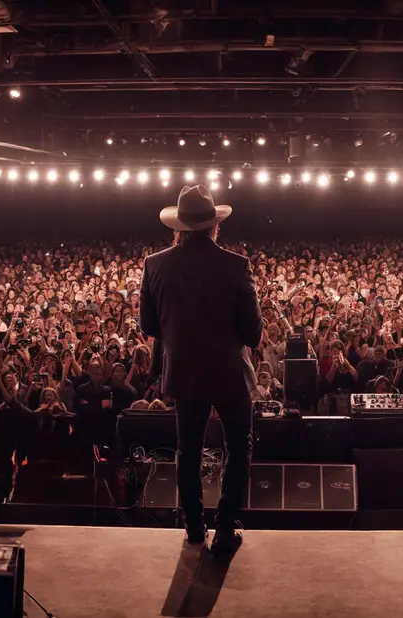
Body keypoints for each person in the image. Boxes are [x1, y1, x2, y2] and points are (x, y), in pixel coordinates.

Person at [140, 185, 263, 554]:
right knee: (238, 446)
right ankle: (226, 527)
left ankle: (194, 527)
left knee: (188, 450)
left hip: (184, 372)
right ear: (214, 225)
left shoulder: (155, 264)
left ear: (179, 226)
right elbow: (253, 334)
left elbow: (148, 325)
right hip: (228, 372)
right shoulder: (236, 265)